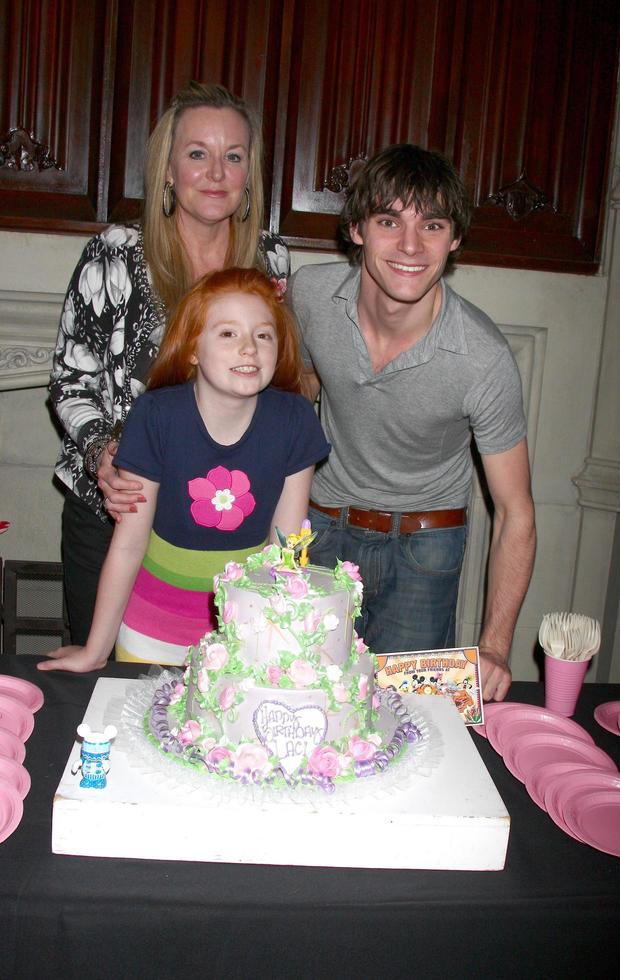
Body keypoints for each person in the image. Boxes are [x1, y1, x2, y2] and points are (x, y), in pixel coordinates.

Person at [287, 144, 536, 702]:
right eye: (388, 221)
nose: (409, 245)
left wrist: (495, 646)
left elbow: (516, 510)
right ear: (356, 229)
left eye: (432, 224)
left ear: (455, 241)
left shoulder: (483, 356)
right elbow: (291, 386)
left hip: (425, 548)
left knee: (413, 724)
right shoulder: (309, 295)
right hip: (320, 528)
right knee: (302, 704)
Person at [50, 80, 290, 645]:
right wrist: (101, 451)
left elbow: (278, 381)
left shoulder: (270, 259)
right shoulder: (116, 252)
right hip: (120, 509)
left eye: (233, 157)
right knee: (106, 679)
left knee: (224, 680)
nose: (215, 173)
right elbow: (71, 380)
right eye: (197, 154)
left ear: (249, 173)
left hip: (230, 520)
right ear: (167, 169)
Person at [39, 268, 329, 672]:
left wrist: (274, 645)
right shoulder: (156, 416)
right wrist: (95, 651)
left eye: (263, 335)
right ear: (192, 347)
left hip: (244, 635)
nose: (249, 348)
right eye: (228, 333)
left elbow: (286, 550)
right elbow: (128, 544)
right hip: (150, 633)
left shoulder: (295, 419)